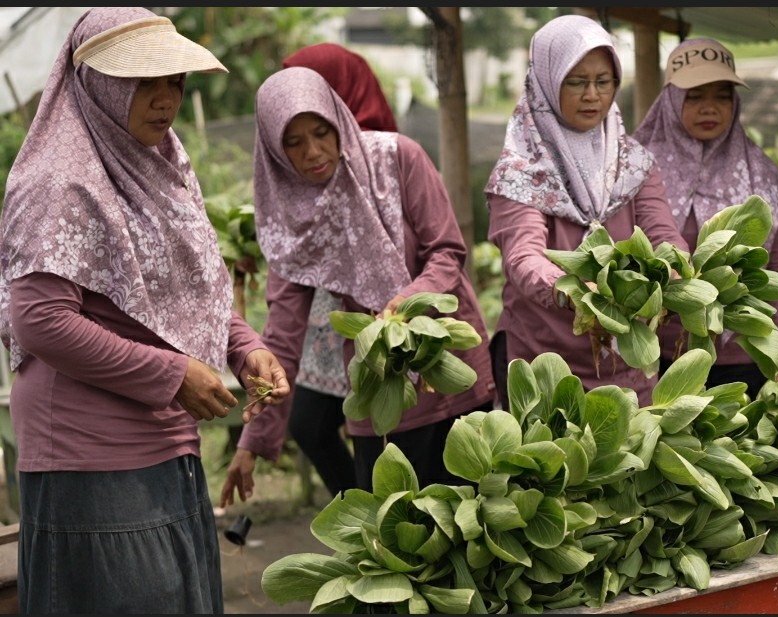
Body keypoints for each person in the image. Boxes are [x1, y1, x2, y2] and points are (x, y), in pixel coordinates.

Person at [0, 7, 290, 614]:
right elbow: (40, 319)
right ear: (98, 85)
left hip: (164, 439)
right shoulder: (60, 180)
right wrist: (173, 374)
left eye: (175, 82)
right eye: (145, 84)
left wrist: (245, 348)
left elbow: (187, 291)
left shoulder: (158, 164)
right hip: (89, 450)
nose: (165, 101)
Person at [220, 65, 495, 503]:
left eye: (321, 132)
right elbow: (283, 337)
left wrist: (401, 310)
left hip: (449, 361)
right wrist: (252, 442)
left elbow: (446, 251)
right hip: (382, 386)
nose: (313, 152)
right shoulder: (291, 218)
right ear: (274, 151)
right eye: (293, 143)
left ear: (338, 121)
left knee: (472, 526)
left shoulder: (397, 158)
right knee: (396, 538)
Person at [485, 14, 689, 408]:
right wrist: (573, 293)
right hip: (541, 361)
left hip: (625, 353)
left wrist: (677, 268)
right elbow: (523, 256)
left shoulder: (633, 162)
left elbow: (662, 230)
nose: (592, 95)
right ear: (546, 81)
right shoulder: (521, 171)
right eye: (576, 82)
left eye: (604, 81)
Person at [633, 37, 778, 398]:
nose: (709, 107)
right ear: (671, 100)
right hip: (655, 356)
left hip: (742, 356)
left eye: (722, 95)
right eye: (694, 96)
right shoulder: (633, 171)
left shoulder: (765, 179)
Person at [270, 43, 402, 499]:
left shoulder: (386, 155)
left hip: (379, 316)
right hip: (325, 319)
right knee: (310, 423)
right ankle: (360, 515)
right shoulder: (304, 157)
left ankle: (374, 522)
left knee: (375, 430)